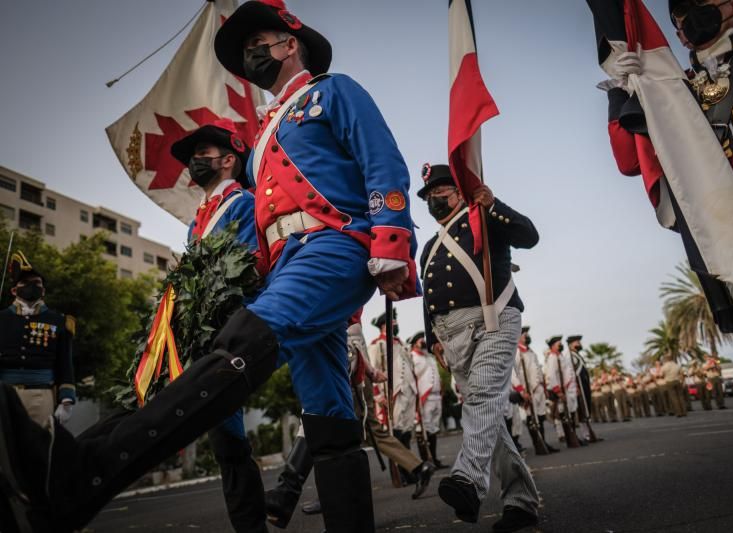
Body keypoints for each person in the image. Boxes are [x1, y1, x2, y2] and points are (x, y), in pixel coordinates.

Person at [0, 2, 418, 532]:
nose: (250, 54)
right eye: (245, 50)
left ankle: (85, 474)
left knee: (239, 348)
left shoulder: (332, 92)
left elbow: (381, 157)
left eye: (259, 42)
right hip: (289, 264)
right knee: (328, 419)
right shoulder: (268, 131)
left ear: (291, 43)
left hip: (333, 247)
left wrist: (391, 239)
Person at [601, 0, 733, 421]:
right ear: (676, 31)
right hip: (727, 232)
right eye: (681, 11)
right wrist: (624, 91)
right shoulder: (670, 93)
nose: (691, 14)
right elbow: (628, 162)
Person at [418, 163, 540, 531]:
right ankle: (521, 504)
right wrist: (431, 338)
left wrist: (492, 204)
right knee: (489, 421)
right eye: (429, 195)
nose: (435, 199)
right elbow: (430, 297)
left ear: (460, 192)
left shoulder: (484, 219)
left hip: (493, 320)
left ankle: (468, 481)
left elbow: (529, 236)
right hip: (451, 336)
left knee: (483, 399)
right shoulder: (429, 247)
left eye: (442, 191)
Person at [170, 118, 266, 533]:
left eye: (203, 155)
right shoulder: (197, 221)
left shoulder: (242, 203)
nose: (195, 162)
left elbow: (245, 266)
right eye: (194, 157)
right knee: (221, 435)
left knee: (227, 435)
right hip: (205, 332)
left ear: (228, 160)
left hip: (233, 326)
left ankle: (252, 524)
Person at [264, 314, 434, 529]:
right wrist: (371, 372)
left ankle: (295, 493)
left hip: (340, 344)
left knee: (327, 422)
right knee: (339, 426)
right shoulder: (375, 342)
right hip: (342, 348)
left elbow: (352, 328)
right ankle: (315, 498)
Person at [0, 252, 75, 428]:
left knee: (38, 449)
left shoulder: (59, 321)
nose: (31, 286)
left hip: (41, 395)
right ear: (14, 290)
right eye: (25, 283)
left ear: (43, 290)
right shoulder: (2, 319)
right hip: (4, 393)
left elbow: (65, 362)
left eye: (37, 283)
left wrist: (66, 400)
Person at [368, 312, 417, 456]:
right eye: (393, 321)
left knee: (407, 429)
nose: (396, 323)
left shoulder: (400, 343)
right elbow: (372, 370)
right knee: (396, 429)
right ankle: (402, 470)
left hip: (409, 390)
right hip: (393, 392)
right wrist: (377, 395)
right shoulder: (378, 344)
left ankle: (410, 467)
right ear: (384, 325)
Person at [514, 327, 558, 452]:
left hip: (538, 390)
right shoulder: (517, 352)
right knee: (532, 418)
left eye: (527, 334)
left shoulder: (531, 352)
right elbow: (512, 373)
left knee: (540, 417)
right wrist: (521, 390)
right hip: (528, 391)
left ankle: (543, 442)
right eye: (524, 334)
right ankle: (538, 445)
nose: (527, 336)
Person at [409, 331, 446, 468]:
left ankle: (434, 458)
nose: (423, 341)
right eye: (420, 340)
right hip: (424, 398)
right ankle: (426, 460)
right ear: (414, 344)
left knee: (433, 429)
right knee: (423, 429)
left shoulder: (429, 357)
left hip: (436, 396)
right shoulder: (412, 357)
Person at [545, 336, 583, 444]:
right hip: (558, 391)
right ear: (553, 346)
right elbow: (552, 376)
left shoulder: (560, 356)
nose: (561, 345)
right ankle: (566, 436)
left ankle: (571, 436)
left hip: (565, 389)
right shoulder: (552, 357)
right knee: (561, 413)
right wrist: (558, 391)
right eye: (559, 343)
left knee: (567, 414)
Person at [567, 335, 600, 442]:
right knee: (582, 410)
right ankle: (586, 435)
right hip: (579, 386)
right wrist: (575, 386)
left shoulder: (577, 355)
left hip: (584, 385)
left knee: (586, 409)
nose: (579, 344)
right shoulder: (570, 356)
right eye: (577, 342)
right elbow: (571, 373)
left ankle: (589, 434)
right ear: (571, 344)